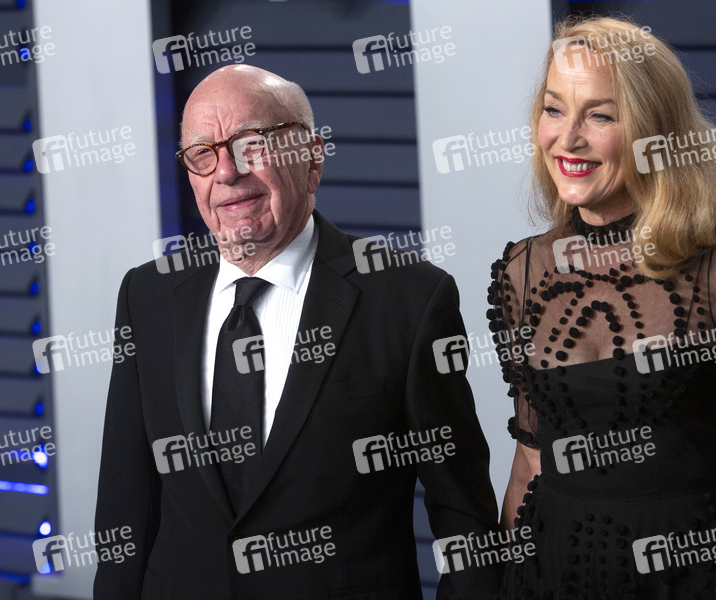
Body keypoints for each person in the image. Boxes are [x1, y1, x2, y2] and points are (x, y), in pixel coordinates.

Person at [94, 64, 501, 599]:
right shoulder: (146, 295)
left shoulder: (409, 298)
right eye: (202, 154)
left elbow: (465, 519)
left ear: (311, 157)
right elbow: (125, 504)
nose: (227, 173)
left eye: (252, 144)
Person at [488, 16, 716, 599]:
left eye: (600, 116)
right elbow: (530, 462)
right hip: (552, 578)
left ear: (653, 130)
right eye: (554, 109)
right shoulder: (523, 271)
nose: (567, 138)